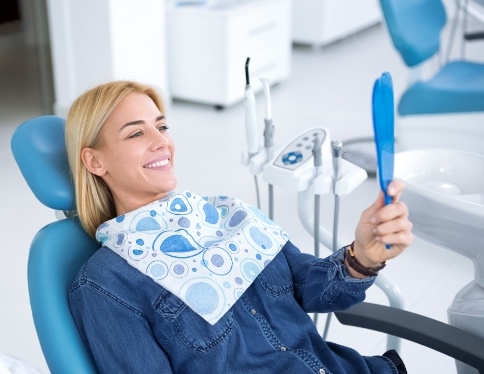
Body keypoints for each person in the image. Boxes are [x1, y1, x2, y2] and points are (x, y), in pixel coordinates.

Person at [66, 81, 413, 374]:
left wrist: (361, 257)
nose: (162, 142)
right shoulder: (104, 284)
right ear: (95, 161)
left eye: (162, 126)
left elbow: (311, 287)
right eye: (136, 133)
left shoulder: (225, 214)